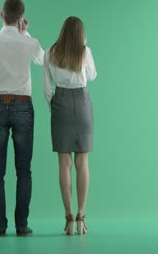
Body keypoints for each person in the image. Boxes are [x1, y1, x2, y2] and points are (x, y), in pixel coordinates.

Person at [0, 0, 44, 237]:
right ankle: (21, 225)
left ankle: (0, 225)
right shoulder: (29, 42)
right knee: (24, 169)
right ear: (21, 18)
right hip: (23, 106)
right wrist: (26, 34)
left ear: (1, 15)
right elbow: (44, 60)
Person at [43, 16, 97, 236]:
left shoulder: (49, 53)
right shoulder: (85, 51)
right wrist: (83, 46)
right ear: (80, 34)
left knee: (64, 163)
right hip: (82, 103)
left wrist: (55, 109)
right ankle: (82, 216)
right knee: (82, 162)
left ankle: (69, 218)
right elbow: (91, 75)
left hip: (60, 105)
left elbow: (47, 90)